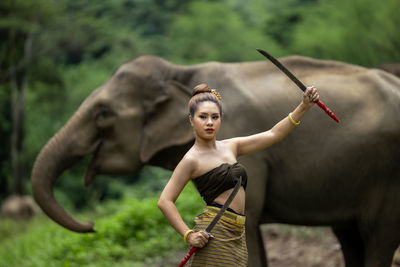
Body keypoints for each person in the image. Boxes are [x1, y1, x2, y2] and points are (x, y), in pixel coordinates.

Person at [157, 83, 319, 266]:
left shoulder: (231, 146)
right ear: (191, 120)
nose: (209, 122)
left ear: (221, 119)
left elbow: (273, 134)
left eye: (214, 117)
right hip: (214, 233)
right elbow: (165, 201)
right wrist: (189, 235)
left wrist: (304, 106)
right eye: (203, 117)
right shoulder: (191, 159)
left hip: (238, 233)